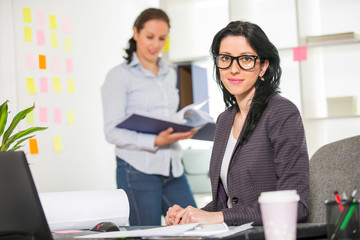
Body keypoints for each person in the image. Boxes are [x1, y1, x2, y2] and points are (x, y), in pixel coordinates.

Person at [165, 20, 310, 226]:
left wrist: (217, 217)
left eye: (246, 59)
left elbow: (296, 205)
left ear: (263, 66)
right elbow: (226, 206)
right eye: (225, 58)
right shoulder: (224, 120)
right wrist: (190, 215)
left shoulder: (282, 113)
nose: (233, 69)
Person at [101, 8, 197, 226]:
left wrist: (185, 126)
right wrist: (154, 141)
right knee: (146, 233)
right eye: (150, 37)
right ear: (136, 33)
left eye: (162, 38)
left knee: (195, 228)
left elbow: (168, 115)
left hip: (173, 167)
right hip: (137, 170)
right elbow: (111, 131)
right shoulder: (119, 76)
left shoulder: (170, 72)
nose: (155, 44)